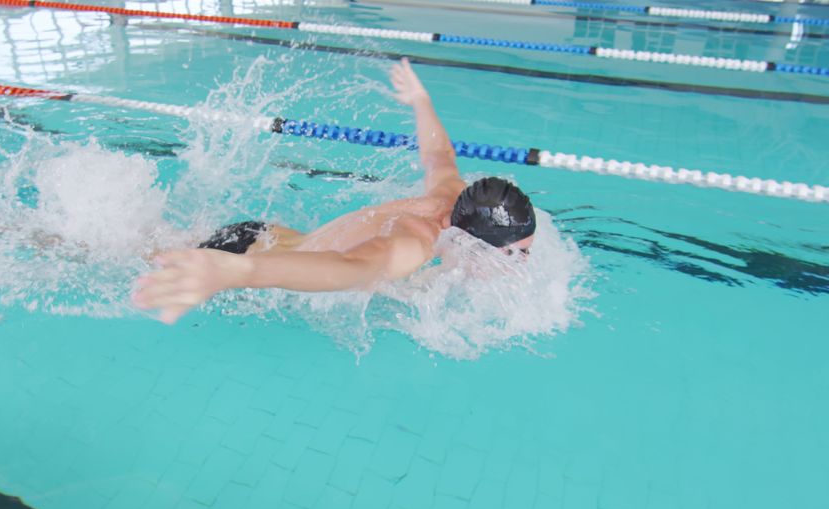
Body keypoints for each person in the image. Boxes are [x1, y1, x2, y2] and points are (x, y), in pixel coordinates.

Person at [132, 58, 537, 324]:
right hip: (245, 254)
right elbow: (350, 268)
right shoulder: (412, 245)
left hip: (268, 235)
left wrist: (420, 100)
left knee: (161, 238)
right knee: (129, 253)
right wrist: (236, 272)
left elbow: (440, 156)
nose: (520, 263)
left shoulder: (452, 200)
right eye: (513, 253)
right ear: (470, 239)